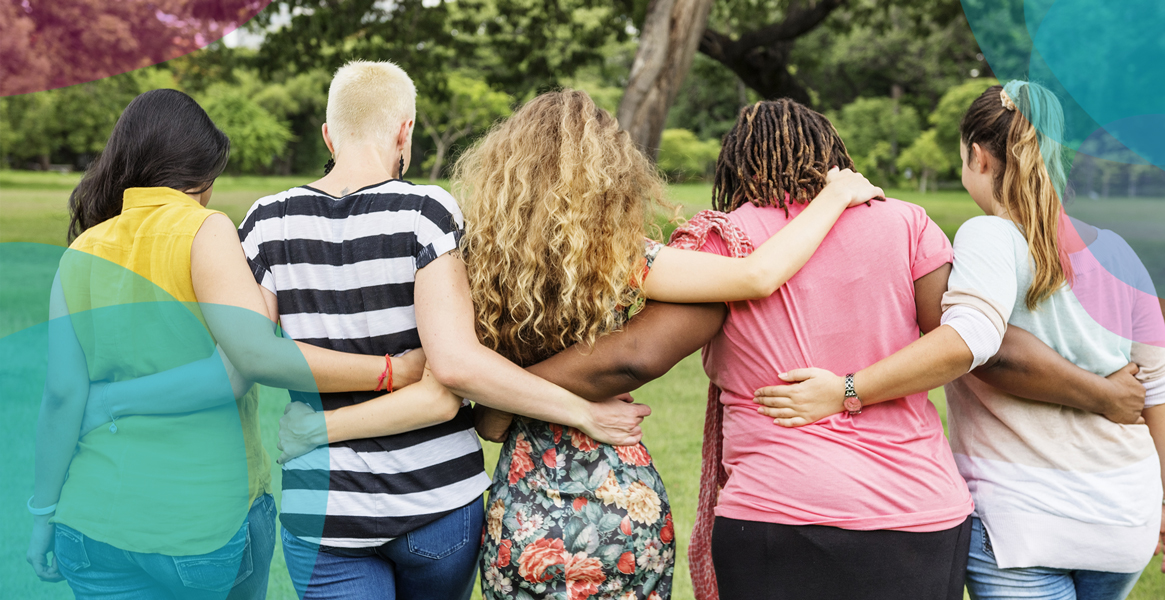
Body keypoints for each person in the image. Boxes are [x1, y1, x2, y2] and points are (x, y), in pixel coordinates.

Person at [473, 97, 1151, 600]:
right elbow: (972, 340)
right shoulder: (906, 223)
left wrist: (498, 392)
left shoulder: (724, 236)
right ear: (833, 155)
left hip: (781, 514)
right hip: (920, 512)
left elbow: (634, 358)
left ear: (736, 164)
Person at [277, 88, 885, 600]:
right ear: (611, 173)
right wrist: (832, 196)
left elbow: (486, 421)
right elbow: (755, 276)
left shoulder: (474, 264)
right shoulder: (622, 260)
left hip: (525, 509)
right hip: (621, 501)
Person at [755, 82, 1165, 599]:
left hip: (1023, 524)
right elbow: (1161, 390)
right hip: (1124, 520)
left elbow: (970, 339)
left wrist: (847, 389)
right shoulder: (1118, 252)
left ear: (979, 158)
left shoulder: (989, 236)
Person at [234, 63, 649, 600]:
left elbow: (254, 355)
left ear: (328, 135)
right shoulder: (425, 212)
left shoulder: (267, 222)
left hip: (326, 510)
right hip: (435, 503)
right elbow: (454, 366)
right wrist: (586, 413)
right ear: (404, 130)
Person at [25, 88, 429, 600]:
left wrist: (43, 513)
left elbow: (61, 398)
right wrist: (392, 371)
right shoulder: (205, 230)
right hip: (200, 525)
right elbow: (243, 365)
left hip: (90, 525)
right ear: (203, 176)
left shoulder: (80, 252)